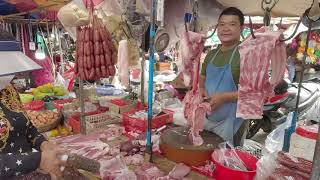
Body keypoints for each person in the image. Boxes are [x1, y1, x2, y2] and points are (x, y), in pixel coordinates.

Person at [0, 30, 66, 179]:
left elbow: (27, 126)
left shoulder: (9, 90)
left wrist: (43, 144)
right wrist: (38, 160)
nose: (11, 76)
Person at [199, 7, 248, 146]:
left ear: (241, 28)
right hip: (208, 118)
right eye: (222, 24)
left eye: (232, 24)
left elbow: (252, 93)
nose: (226, 28)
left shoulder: (245, 54)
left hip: (232, 122)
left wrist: (223, 97)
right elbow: (202, 81)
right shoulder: (211, 54)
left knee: (227, 160)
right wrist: (201, 89)